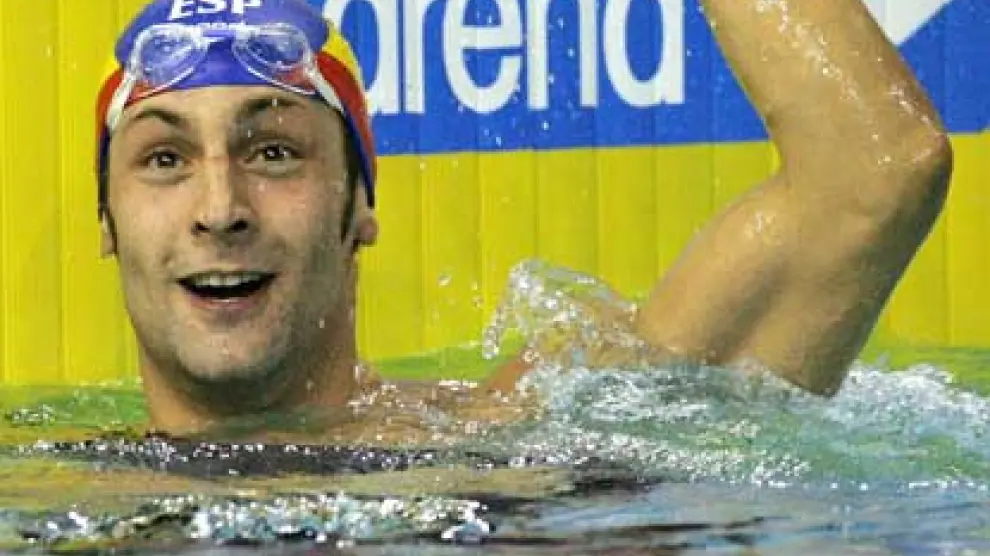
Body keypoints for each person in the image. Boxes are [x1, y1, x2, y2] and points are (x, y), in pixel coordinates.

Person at [95, 0, 952, 436]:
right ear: (108, 220)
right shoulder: (51, 491)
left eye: (275, 151)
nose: (220, 210)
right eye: (165, 159)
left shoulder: (526, 434)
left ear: (358, 204)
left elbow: (871, 177)